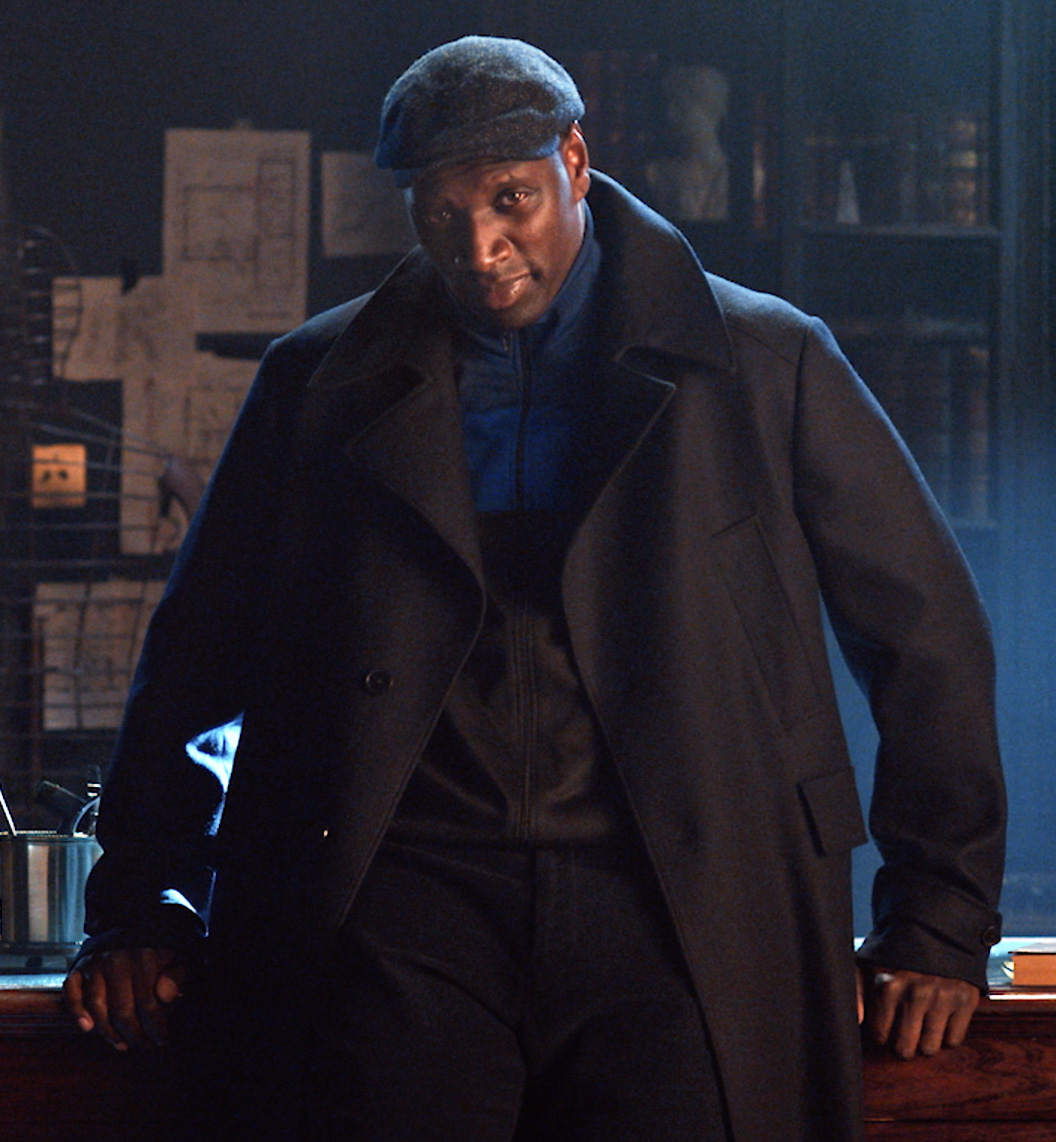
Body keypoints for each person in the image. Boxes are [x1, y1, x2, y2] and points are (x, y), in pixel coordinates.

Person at [64, 36, 1005, 1142]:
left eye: (511, 198)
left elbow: (928, 634)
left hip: (682, 900)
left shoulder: (768, 363)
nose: (481, 246)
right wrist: (143, 896)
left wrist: (939, 914)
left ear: (576, 162)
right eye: (442, 212)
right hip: (400, 906)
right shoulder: (312, 382)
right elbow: (195, 655)